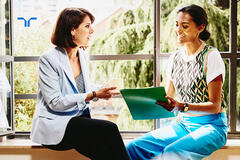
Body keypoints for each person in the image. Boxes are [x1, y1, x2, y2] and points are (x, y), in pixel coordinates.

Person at [126, 4, 227, 160]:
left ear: (200, 28)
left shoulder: (211, 56)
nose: (178, 30)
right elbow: (168, 96)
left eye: (185, 26)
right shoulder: (174, 58)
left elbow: (215, 106)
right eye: (176, 24)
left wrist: (182, 105)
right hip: (185, 125)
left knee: (172, 152)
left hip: (212, 126)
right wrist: (143, 99)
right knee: (134, 147)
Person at [30, 8, 130, 160]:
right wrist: (94, 95)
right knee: (110, 129)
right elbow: (55, 103)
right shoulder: (48, 59)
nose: (92, 30)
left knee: (106, 153)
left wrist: (102, 90)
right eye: (87, 26)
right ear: (72, 30)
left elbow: (81, 88)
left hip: (79, 122)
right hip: (56, 126)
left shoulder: (82, 55)